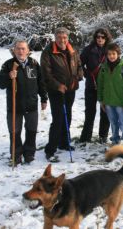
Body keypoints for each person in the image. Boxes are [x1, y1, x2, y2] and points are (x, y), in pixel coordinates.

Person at [0, 40, 48, 165]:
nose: (21, 51)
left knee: (31, 131)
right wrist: (9, 76)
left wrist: (44, 98)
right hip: (14, 106)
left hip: (31, 104)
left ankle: (29, 155)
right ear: (14, 50)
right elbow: (0, 84)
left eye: (23, 49)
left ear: (28, 50)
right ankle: (16, 156)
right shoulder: (8, 65)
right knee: (15, 132)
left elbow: (41, 83)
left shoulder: (34, 64)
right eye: (18, 49)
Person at [40, 27, 83, 161]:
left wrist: (79, 76)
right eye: (59, 38)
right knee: (58, 119)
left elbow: (79, 65)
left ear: (67, 38)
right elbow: (46, 73)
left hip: (71, 89)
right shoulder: (48, 52)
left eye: (64, 37)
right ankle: (50, 148)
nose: (62, 40)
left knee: (67, 116)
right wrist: (58, 85)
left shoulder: (72, 49)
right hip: (56, 91)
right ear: (55, 38)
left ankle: (64, 143)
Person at [97, 43, 123, 146]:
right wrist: (101, 100)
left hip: (121, 102)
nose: (111, 56)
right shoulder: (103, 68)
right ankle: (115, 140)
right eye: (109, 54)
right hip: (108, 102)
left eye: (114, 53)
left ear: (118, 54)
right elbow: (100, 85)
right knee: (113, 123)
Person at [79, 28, 112, 144]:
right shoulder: (88, 50)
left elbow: (116, 64)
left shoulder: (111, 50)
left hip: (106, 86)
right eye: (98, 37)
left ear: (106, 38)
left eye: (103, 37)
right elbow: (79, 63)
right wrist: (86, 73)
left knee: (105, 112)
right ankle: (86, 137)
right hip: (91, 85)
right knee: (90, 112)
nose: (100, 39)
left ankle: (103, 136)